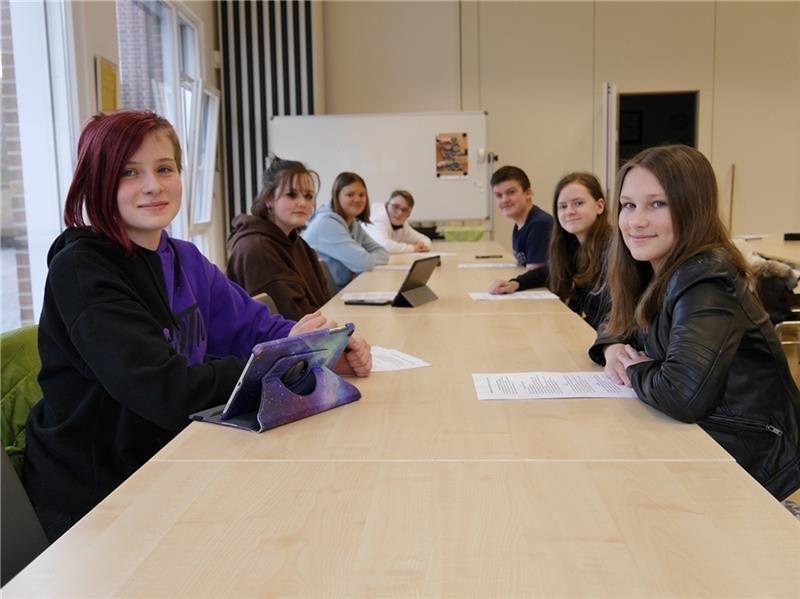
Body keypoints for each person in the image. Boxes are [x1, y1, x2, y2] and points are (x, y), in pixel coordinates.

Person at [23, 111, 372, 541]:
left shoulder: (183, 257)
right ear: (97, 182)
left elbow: (257, 328)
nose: (153, 184)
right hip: (100, 494)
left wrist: (323, 347)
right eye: (129, 173)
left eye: (164, 168)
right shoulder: (82, 270)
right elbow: (166, 390)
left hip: (173, 457)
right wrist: (289, 361)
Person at [589, 144, 800, 501]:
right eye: (628, 205)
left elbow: (681, 395)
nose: (635, 220)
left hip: (751, 451)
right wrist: (614, 351)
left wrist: (639, 369)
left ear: (692, 208)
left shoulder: (706, 278)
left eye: (657, 204)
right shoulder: (651, 265)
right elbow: (613, 323)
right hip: (706, 433)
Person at [491, 172, 611, 330]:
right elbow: (548, 271)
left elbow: (613, 315)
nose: (569, 211)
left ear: (599, 206)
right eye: (562, 206)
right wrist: (517, 283)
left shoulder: (612, 249)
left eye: (579, 203)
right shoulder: (572, 244)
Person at [227, 156, 331, 319]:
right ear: (269, 199)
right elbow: (292, 319)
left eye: (308, 196)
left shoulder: (298, 244)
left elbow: (324, 304)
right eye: (291, 195)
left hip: (315, 337)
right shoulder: (257, 249)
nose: (302, 203)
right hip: (286, 342)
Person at [302, 172, 389, 290]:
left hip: (343, 291)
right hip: (325, 300)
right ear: (337, 197)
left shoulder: (353, 223)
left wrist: (363, 263)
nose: (357, 199)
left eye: (362, 194)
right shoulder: (327, 224)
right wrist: (361, 264)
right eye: (350, 194)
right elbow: (363, 263)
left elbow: (382, 252)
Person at [488, 165, 553, 294]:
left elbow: (536, 276)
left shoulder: (540, 224)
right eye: (498, 195)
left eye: (511, 192)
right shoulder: (520, 223)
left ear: (528, 193)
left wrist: (513, 283)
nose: (504, 200)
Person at [363, 189, 432, 254]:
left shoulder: (404, 226)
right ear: (387, 205)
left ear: (408, 215)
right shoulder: (377, 218)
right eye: (395, 206)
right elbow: (383, 246)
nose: (399, 213)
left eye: (404, 210)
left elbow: (425, 240)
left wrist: (422, 247)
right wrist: (413, 248)